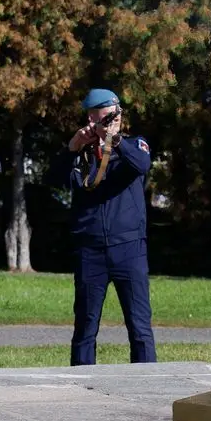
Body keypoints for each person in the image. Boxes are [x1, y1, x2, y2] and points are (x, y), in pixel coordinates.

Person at [52, 88, 156, 366]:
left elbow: (142, 164)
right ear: (92, 117)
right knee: (85, 327)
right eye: (108, 115)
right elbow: (53, 178)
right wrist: (73, 147)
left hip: (129, 247)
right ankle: (81, 383)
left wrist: (114, 140)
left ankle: (150, 382)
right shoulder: (81, 154)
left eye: (117, 113)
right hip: (90, 249)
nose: (115, 119)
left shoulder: (133, 145)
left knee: (140, 327)